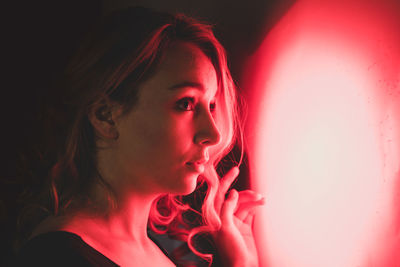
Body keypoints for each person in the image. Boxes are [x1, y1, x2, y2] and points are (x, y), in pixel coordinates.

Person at [13, 6, 264, 267]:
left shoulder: (170, 252)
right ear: (105, 116)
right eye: (186, 103)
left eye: (211, 105)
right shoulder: (55, 257)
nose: (213, 134)